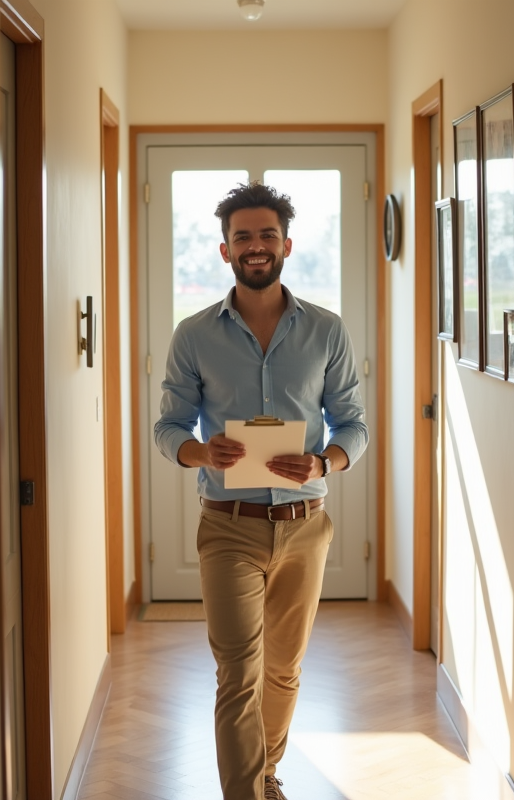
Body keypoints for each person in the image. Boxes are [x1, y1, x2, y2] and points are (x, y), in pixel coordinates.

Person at [154, 182, 368, 800]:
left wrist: (325, 461)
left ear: (287, 245)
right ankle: (244, 793)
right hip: (227, 523)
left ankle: (267, 772)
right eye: (242, 236)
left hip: (307, 526)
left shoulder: (327, 332)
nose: (255, 246)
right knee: (238, 673)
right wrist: (200, 450)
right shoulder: (193, 336)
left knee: (283, 670)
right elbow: (169, 428)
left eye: (266, 235)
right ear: (225, 251)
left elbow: (354, 425)